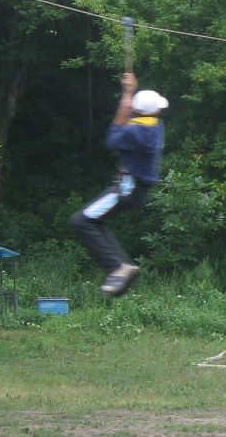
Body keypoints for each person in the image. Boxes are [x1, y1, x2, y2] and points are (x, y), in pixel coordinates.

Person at [68, 72, 166, 296]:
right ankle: (120, 266)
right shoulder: (155, 125)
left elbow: (112, 139)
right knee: (93, 221)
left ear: (136, 111)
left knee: (81, 221)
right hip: (135, 190)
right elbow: (130, 122)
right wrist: (129, 95)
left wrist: (126, 99)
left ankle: (118, 267)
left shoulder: (136, 131)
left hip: (125, 190)